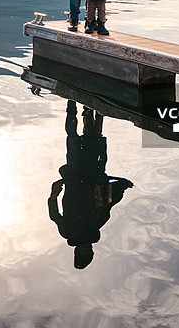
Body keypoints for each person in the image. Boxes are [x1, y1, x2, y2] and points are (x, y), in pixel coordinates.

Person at [48, 101, 133, 269]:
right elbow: (107, 206)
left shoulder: (68, 232)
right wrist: (120, 187)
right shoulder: (95, 228)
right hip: (93, 177)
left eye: (84, 251)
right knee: (95, 139)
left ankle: (72, 103)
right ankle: (94, 108)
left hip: (74, 179)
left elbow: (54, 215)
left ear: (77, 251)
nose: (87, 248)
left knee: (73, 139)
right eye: (90, 251)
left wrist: (53, 195)